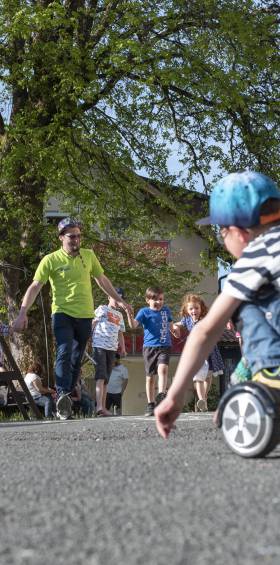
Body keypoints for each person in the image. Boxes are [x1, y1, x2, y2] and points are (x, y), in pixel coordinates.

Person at [155, 171, 280, 438]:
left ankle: (271, 376)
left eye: (221, 231)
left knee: (246, 306)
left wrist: (174, 397)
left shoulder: (255, 255)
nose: (223, 239)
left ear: (238, 231)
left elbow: (205, 331)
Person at [13, 218, 131, 420]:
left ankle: (65, 398)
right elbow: (35, 286)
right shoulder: (50, 260)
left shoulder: (89, 255)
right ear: (61, 238)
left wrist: (120, 301)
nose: (76, 240)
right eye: (71, 236)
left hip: (85, 315)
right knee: (64, 350)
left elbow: (101, 279)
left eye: (78, 236)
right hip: (62, 313)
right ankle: (62, 394)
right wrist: (22, 312)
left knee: (77, 359)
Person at [126, 286, 177, 417]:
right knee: (150, 378)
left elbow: (171, 326)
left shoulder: (166, 311)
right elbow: (133, 325)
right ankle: (151, 404)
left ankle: (161, 395)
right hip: (149, 348)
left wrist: (175, 331)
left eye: (161, 299)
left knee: (163, 369)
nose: (159, 302)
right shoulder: (144, 312)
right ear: (147, 300)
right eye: (155, 299)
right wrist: (129, 314)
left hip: (164, 345)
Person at [173, 294, 224, 411]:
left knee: (208, 377)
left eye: (196, 308)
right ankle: (201, 399)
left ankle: (204, 398)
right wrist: (174, 327)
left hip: (209, 351)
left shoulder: (206, 319)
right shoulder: (187, 320)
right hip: (196, 353)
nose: (194, 311)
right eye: (191, 308)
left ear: (201, 309)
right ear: (186, 310)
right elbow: (178, 325)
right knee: (197, 377)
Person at [92, 288, 127, 417]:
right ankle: (99, 406)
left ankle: (103, 407)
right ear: (108, 297)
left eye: (120, 298)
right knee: (100, 376)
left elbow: (120, 332)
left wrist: (122, 348)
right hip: (100, 346)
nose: (117, 301)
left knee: (106, 378)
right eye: (115, 297)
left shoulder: (119, 315)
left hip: (112, 349)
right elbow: (93, 323)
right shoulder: (102, 309)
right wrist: (86, 339)